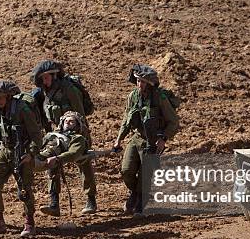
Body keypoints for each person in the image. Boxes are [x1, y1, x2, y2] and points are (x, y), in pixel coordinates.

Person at [31, 60, 97, 214]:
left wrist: (84, 139)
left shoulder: (69, 90)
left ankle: (91, 200)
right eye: (42, 79)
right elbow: (45, 118)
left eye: (46, 77)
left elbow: (80, 115)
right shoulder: (44, 94)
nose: (44, 81)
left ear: (54, 76)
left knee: (84, 164)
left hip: (76, 132)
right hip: (58, 133)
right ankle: (54, 203)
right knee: (51, 163)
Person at [113, 65, 179, 216]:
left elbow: (173, 121)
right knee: (126, 170)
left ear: (149, 84)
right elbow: (126, 119)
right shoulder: (132, 96)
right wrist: (119, 139)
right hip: (136, 138)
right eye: (137, 81)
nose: (139, 84)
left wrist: (163, 139)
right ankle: (135, 194)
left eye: (142, 82)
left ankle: (141, 200)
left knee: (145, 175)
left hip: (153, 140)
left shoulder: (159, 98)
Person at [0, 80, 43, 238]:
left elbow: (37, 135)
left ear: (9, 97)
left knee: (24, 189)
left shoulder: (22, 109)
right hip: (4, 151)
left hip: (22, 153)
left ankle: (29, 223)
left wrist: (31, 153)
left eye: (1, 97)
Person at [36, 111, 91, 216]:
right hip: (41, 154)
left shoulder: (78, 138)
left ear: (77, 125)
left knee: (86, 171)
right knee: (51, 172)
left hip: (54, 155)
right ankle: (54, 205)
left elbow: (73, 153)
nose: (67, 123)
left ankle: (90, 199)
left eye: (71, 122)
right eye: (66, 121)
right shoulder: (52, 134)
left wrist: (57, 159)